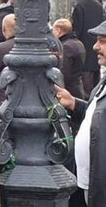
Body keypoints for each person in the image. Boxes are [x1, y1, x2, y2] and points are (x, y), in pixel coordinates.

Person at [55, 19, 106, 207]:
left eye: (102, 41)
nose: (95, 46)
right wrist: (74, 104)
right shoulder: (102, 84)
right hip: (86, 185)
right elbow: (98, 118)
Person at [73, 0, 104, 96]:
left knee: (86, 81)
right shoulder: (98, 6)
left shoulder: (79, 6)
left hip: (84, 47)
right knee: (96, 78)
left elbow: (77, 29)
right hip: (97, 45)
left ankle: (87, 102)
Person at [53, 19, 86, 99]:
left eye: (53, 30)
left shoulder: (65, 46)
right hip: (78, 88)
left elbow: (64, 72)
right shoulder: (79, 43)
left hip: (69, 91)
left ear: (58, 30)